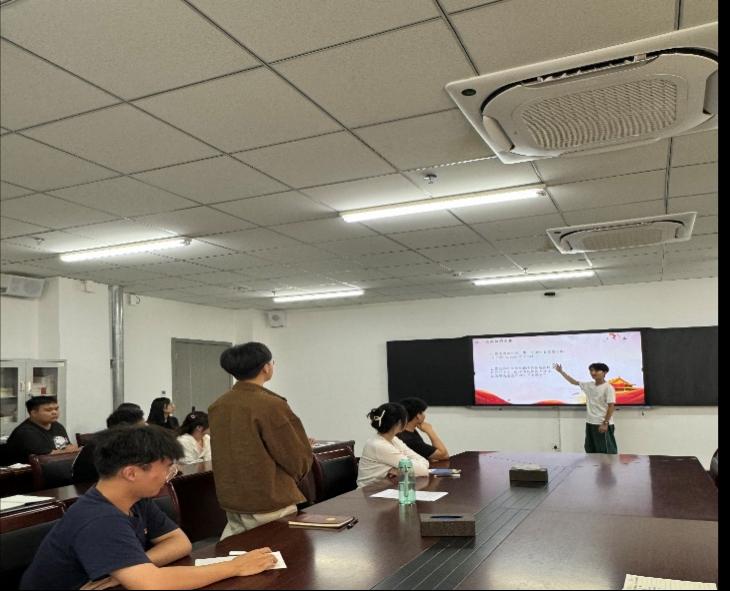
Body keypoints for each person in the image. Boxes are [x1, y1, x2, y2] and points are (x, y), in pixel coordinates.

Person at [20, 425, 276, 590]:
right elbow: (152, 583)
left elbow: (180, 543)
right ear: (131, 473)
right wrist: (236, 566)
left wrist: (126, 568)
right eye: (165, 467)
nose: (170, 475)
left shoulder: (135, 500)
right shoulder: (98, 518)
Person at [209, 342, 313, 539]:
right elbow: (295, 456)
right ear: (266, 367)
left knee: (240, 549)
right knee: (277, 550)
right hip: (269, 497)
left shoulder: (218, 405)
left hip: (232, 497)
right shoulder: (271, 405)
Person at [357, 402, 430, 488]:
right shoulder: (379, 445)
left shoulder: (393, 439)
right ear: (399, 422)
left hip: (383, 488)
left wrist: (400, 470)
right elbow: (423, 470)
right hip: (368, 492)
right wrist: (406, 470)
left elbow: (424, 462)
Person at [553, 362, 617, 454]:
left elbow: (611, 406)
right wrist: (561, 372)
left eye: (596, 370)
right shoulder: (589, 385)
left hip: (602, 423)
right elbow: (574, 382)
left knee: (605, 451)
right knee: (590, 449)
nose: (593, 373)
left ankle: (607, 464)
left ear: (605, 372)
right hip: (590, 422)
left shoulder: (608, 388)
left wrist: (605, 423)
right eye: (591, 371)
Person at [72, 406, 146, 483]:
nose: (145, 434)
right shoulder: (107, 447)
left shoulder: (116, 442)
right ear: (125, 429)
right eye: (141, 430)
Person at [5, 396, 78, 464]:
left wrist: (68, 450)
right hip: (24, 471)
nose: (54, 412)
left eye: (56, 409)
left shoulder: (57, 426)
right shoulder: (25, 432)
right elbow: (47, 456)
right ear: (34, 413)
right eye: (48, 410)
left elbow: (69, 447)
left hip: (56, 465)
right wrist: (69, 450)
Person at [397, 397, 450, 461]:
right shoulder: (410, 440)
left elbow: (426, 454)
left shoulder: (404, 431)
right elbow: (444, 455)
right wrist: (430, 431)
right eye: (422, 412)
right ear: (418, 416)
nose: (424, 415)